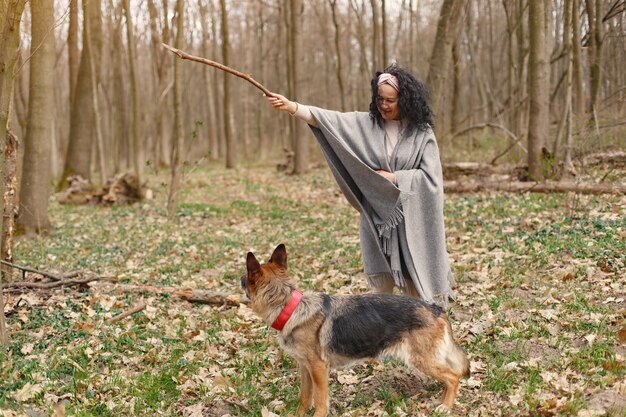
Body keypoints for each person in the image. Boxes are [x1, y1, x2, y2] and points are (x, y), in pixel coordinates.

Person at [266, 64, 455, 308]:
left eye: (390, 100)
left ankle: (419, 339)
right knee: (380, 291)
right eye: (380, 99)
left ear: (405, 100)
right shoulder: (367, 125)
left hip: (410, 220)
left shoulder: (421, 133)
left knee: (415, 295)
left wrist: (395, 178)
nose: (384, 105)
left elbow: (431, 179)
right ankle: (382, 340)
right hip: (376, 218)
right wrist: (293, 107)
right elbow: (328, 120)